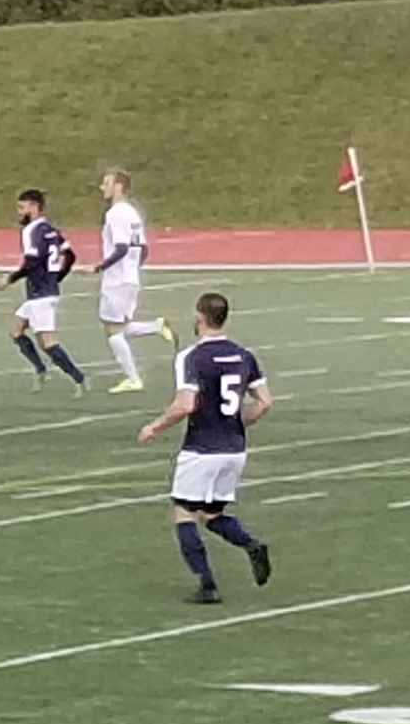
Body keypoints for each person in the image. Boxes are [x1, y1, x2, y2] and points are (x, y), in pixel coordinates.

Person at [139, 292, 274, 605]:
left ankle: (207, 584)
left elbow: (185, 405)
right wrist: (239, 423)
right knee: (211, 513)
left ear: (199, 317)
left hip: (201, 448)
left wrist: (154, 427)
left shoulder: (192, 357)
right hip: (234, 449)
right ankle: (251, 545)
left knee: (184, 512)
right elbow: (265, 401)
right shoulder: (243, 354)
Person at [93, 169, 174, 393]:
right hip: (129, 278)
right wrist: (133, 268)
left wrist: (100, 266)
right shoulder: (132, 212)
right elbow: (143, 249)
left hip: (117, 279)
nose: (102, 187)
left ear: (118, 186)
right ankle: (155, 327)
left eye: (106, 183)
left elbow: (121, 247)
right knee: (118, 325)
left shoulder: (115, 214)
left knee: (112, 329)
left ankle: (132, 378)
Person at [5, 189, 90, 392]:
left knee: (48, 343)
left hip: (39, 294)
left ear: (34, 207)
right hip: (44, 291)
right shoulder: (50, 229)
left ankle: (79, 379)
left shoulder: (31, 230)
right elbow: (70, 256)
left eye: (22, 207)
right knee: (16, 330)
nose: (19, 212)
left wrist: (10, 278)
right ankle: (41, 369)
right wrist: (57, 277)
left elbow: (31, 263)